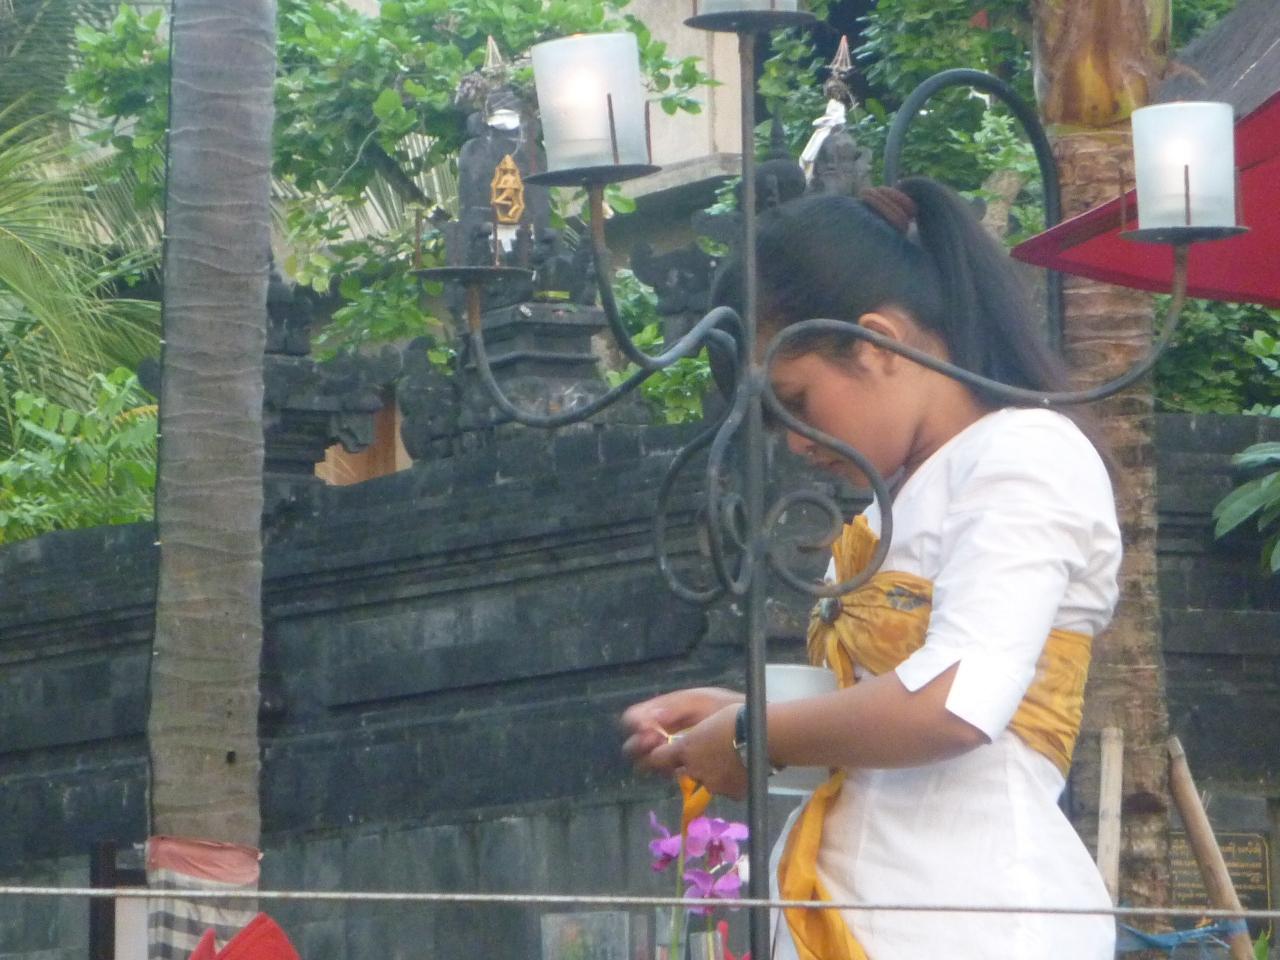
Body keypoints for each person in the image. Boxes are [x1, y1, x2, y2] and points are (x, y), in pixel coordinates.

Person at [621, 179, 1120, 960]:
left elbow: (954, 705)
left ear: (876, 342)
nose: (795, 443)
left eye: (796, 403)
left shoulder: (1026, 453)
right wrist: (739, 717)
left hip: (980, 924)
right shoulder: (895, 507)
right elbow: (877, 726)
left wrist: (757, 734)